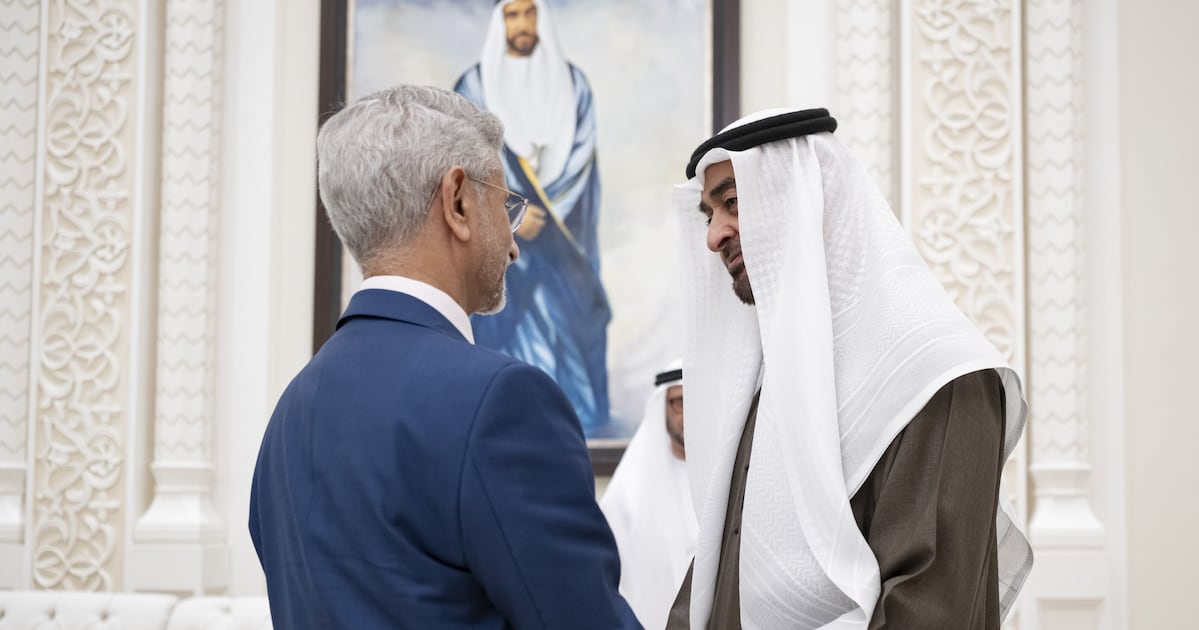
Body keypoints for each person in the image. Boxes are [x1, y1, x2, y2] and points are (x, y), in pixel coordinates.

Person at [248, 85, 639, 630]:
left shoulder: (290, 411)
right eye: (505, 204)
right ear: (457, 202)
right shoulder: (501, 400)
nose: (514, 245)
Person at [665, 108, 1033, 629]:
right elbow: (717, 575)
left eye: (733, 203)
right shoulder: (767, 383)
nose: (714, 236)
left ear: (812, 198)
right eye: (709, 215)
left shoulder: (935, 378)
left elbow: (928, 609)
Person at [454, 0, 612, 435]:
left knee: (578, 318)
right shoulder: (473, 87)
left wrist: (548, 211)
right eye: (512, 14)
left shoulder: (574, 84)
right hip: (500, 238)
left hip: (563, 235)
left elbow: (581, 156)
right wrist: (514, 212)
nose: (522, 23)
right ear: (500, 22)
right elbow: (464, 164)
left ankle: (574, 425)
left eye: (530, 13)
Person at [600, 361, 697, 630]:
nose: (689, 413)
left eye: (696, 401)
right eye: (679, 402)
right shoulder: (629, 486)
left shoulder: (726, 476)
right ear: (661, 407)